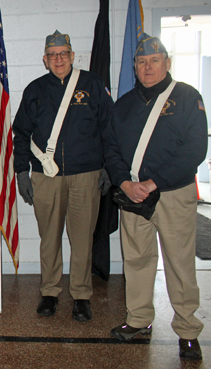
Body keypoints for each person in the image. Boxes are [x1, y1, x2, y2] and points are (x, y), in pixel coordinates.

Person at [105, 34, 207, 361]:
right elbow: (111, 149)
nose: (147, 67)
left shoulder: (188, 97)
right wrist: (124, 181)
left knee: (178, 262)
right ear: (134, 67)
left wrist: (153, 183)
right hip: (133, 194)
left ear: (167, 62)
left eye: (154, 60)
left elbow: (195, 150)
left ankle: (188, 331)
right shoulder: (124, 104)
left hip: (172, 193)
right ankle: (138, 320)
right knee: (136, 259)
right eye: (141, 62)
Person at [13, 30, 114, 322]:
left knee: (82, 239)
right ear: (45, 60)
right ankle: (50, 292)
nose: (59, 59)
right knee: (50, 238)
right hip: (46, 176)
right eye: (53, 55)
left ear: (72, 56)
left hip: (87, 175)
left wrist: (109, 166)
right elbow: (20, 133)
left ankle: (81, 296)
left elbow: (109, 128)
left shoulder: (93, 85)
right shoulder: (34, 90)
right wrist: (21, 170)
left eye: (64, 53)